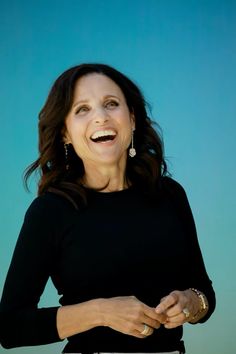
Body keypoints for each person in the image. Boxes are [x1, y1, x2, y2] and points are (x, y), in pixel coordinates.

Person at [0, 63, 215, 354]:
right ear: (65, 133)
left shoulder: (170, 195)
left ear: (133, 119)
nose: (101, 117)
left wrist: (191, 303)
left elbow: (204, 294)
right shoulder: (50, 211)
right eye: (82, 109)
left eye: (111, 104)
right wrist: (100, 312)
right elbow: (10, 326)